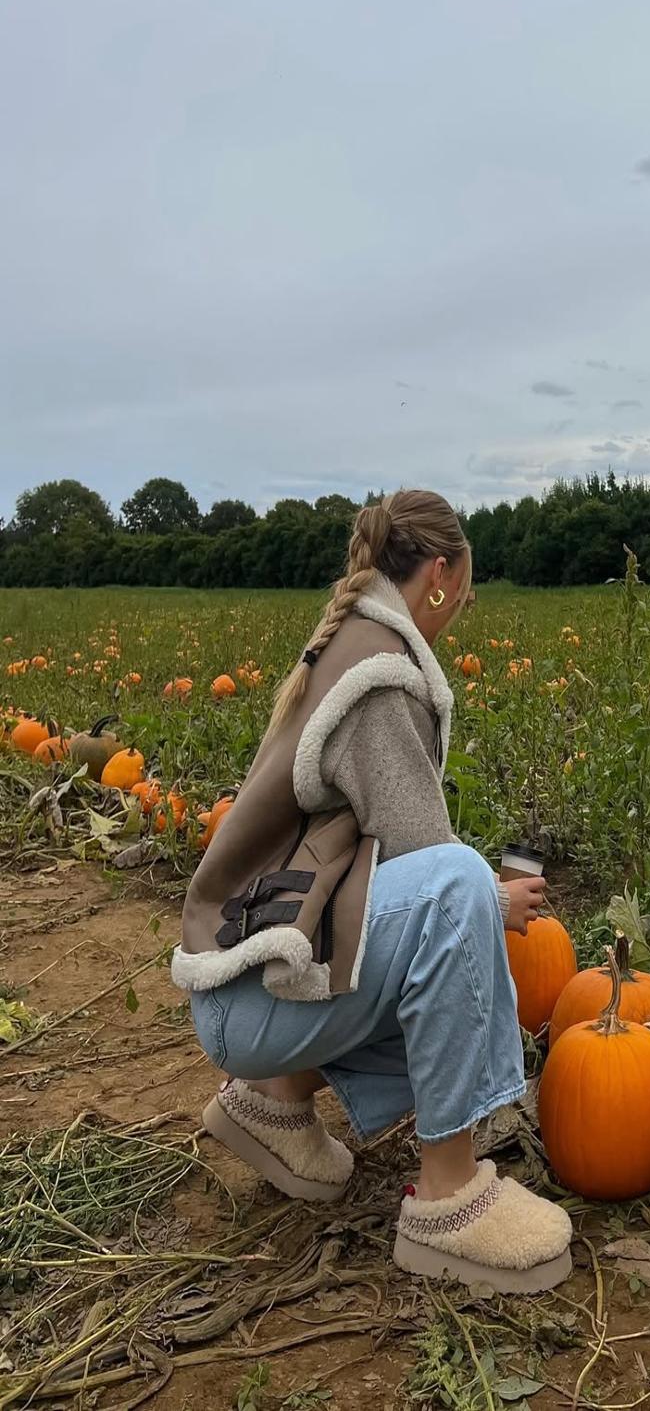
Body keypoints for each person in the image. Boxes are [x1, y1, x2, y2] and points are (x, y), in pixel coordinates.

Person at [172, 490, 572, 1293]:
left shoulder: (352, 648)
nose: (463, 605)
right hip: (247, 1001)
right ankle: (451, 1200)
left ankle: (274, 1102)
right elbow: (431, 874)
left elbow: (373, 886)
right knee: (457, 888)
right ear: (437, 573)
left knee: (424, 917)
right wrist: (493, 901)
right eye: (464, 587)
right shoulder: (382, 679)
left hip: (245, 984)